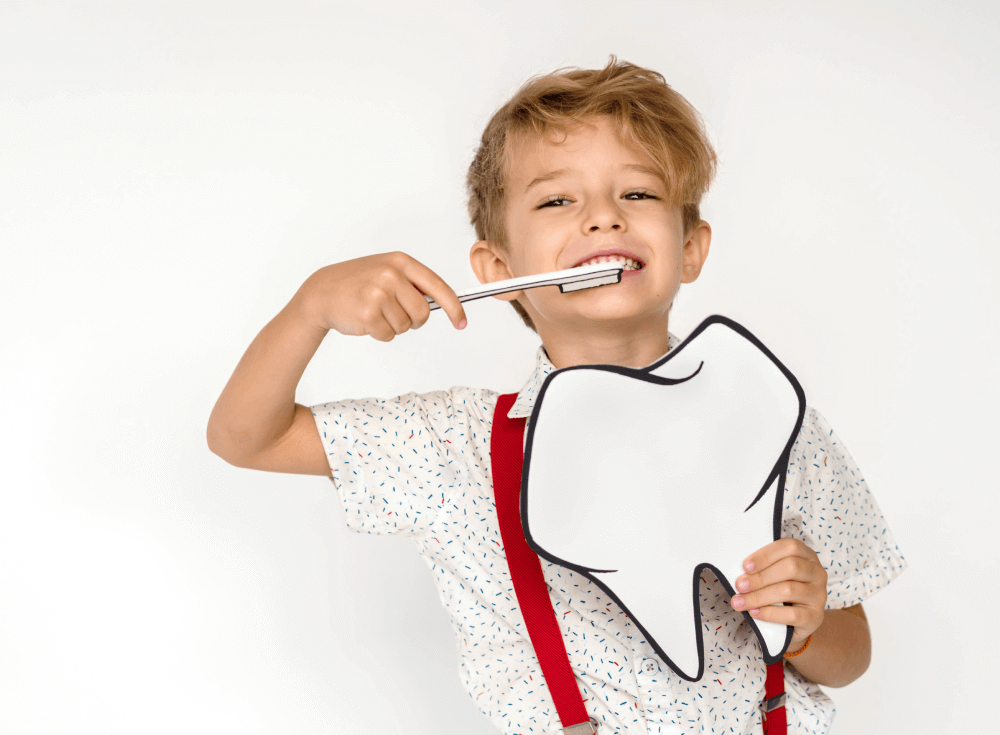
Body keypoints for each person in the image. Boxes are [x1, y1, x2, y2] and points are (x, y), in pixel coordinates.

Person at [206, 55, 906, 735]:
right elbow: (246, 436)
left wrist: (808, 625)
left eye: (638, 193)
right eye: (556, 199)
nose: (602, 217)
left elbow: (853, 653)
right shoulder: (456, 446)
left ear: (690, 246)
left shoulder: (772, 420)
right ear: (498, 268)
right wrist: (310, 309)